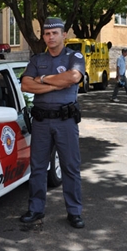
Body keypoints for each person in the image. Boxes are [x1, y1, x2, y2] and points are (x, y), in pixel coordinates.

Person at [19, 17, 86, 229]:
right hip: (41, 121)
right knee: (38, 167)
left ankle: (74, 212)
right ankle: (36, 209)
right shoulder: (37, 59)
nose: (50, 37)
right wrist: (53, 84)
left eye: (55, 33)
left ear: (64, 34)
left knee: (70, 167)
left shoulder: (73, 57)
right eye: (47, 34)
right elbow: (25, 85)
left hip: (66, 121)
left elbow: (73, 77)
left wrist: (41, 79)